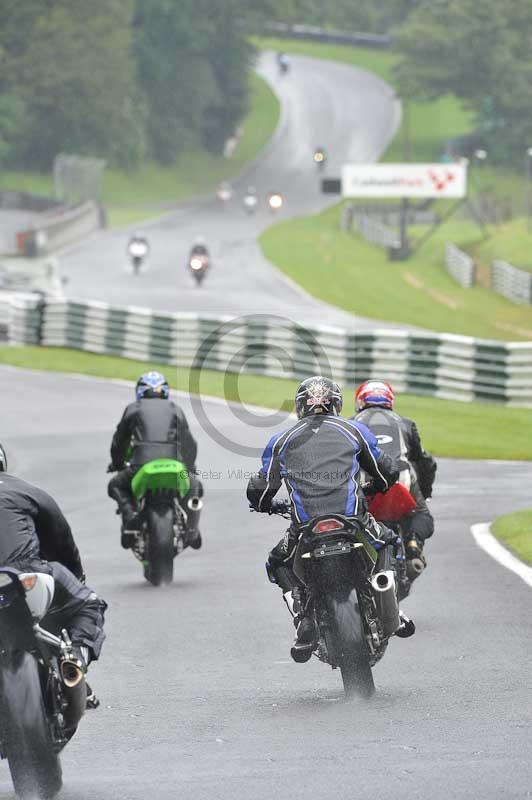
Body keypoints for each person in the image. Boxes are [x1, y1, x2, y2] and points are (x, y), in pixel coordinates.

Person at [247, 376, 414, 662]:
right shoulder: (353, 430)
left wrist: (265, 505)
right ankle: (390, 607)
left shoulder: (282, 440)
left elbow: (262, 489)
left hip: (305, 527)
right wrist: (381, 484)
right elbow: (383, 469)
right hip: (352, 520)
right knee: (388, 541)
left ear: (300, 406)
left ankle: (303, 619)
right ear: (336, 404)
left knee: (277, 563)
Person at [0, 444, 106, 692]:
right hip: (26, 575)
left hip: (23, 581)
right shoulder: (24, 490)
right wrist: (76, 576)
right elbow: (61, 541)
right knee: (88, 603)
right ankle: (74, 661)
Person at [107, 371, 202, 550]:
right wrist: (189, 466)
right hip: (175, 466)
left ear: (140, 391)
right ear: (165, 391)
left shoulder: (133, 408)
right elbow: (190, 443)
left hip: (141, 465)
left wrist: (117, 463)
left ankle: (130, 518)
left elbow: (119, 441)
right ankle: (192, 528)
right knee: (195, 486)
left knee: (116, 485)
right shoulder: (175, 409)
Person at [352, 380, 437, 574]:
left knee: (346, 512)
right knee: (421, 514)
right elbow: (425, 462)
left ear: (360, 402)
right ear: (390, 401)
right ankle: (414, 543)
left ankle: (351, 546)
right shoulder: (406, 423)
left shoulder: (350, 423)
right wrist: (425, 492)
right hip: (401, 478)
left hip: (364, 483)